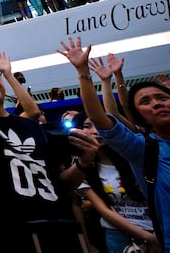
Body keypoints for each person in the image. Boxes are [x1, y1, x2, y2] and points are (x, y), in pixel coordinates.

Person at [0, 0, 98, 252]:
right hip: (7, 231)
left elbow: (60, 185)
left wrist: (84, 164)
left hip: (58, 227)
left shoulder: (31, 128)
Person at [58, 37, 169, 252]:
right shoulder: (143, 149)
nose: (157, 103)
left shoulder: (130, 156)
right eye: (145, 102)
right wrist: (84, 72)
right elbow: (105, 116)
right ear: (139, 118)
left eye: (162, 97)